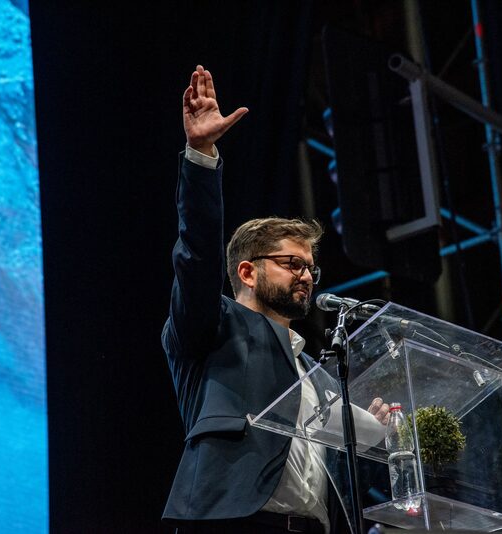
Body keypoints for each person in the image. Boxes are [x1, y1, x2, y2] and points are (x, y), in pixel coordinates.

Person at [161, 65, 389, 534]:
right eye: (291, 263)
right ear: (247, 271)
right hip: (235, 522)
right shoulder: (210, 326)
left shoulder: (313, 371)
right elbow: (197, 255)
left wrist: (381, 430)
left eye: (309, 266)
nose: (305, 275)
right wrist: (201, 154)